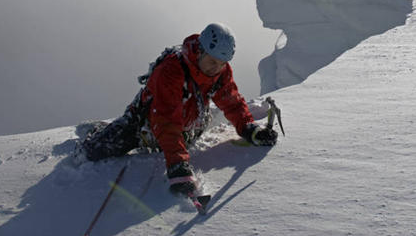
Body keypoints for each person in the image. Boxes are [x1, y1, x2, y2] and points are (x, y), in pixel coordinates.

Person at [80, 22, 278, 196]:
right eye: (212, 62)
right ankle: (95, 132)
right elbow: (165, 119)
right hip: (144, 123)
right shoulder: (172, 70)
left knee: (174, 139)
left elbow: (232, 102)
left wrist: (249, 129)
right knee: (94, 152)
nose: (215, 69)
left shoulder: (221, 73)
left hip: (188, 125)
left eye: (221, 64)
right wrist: (177, 164)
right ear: (200, 51)